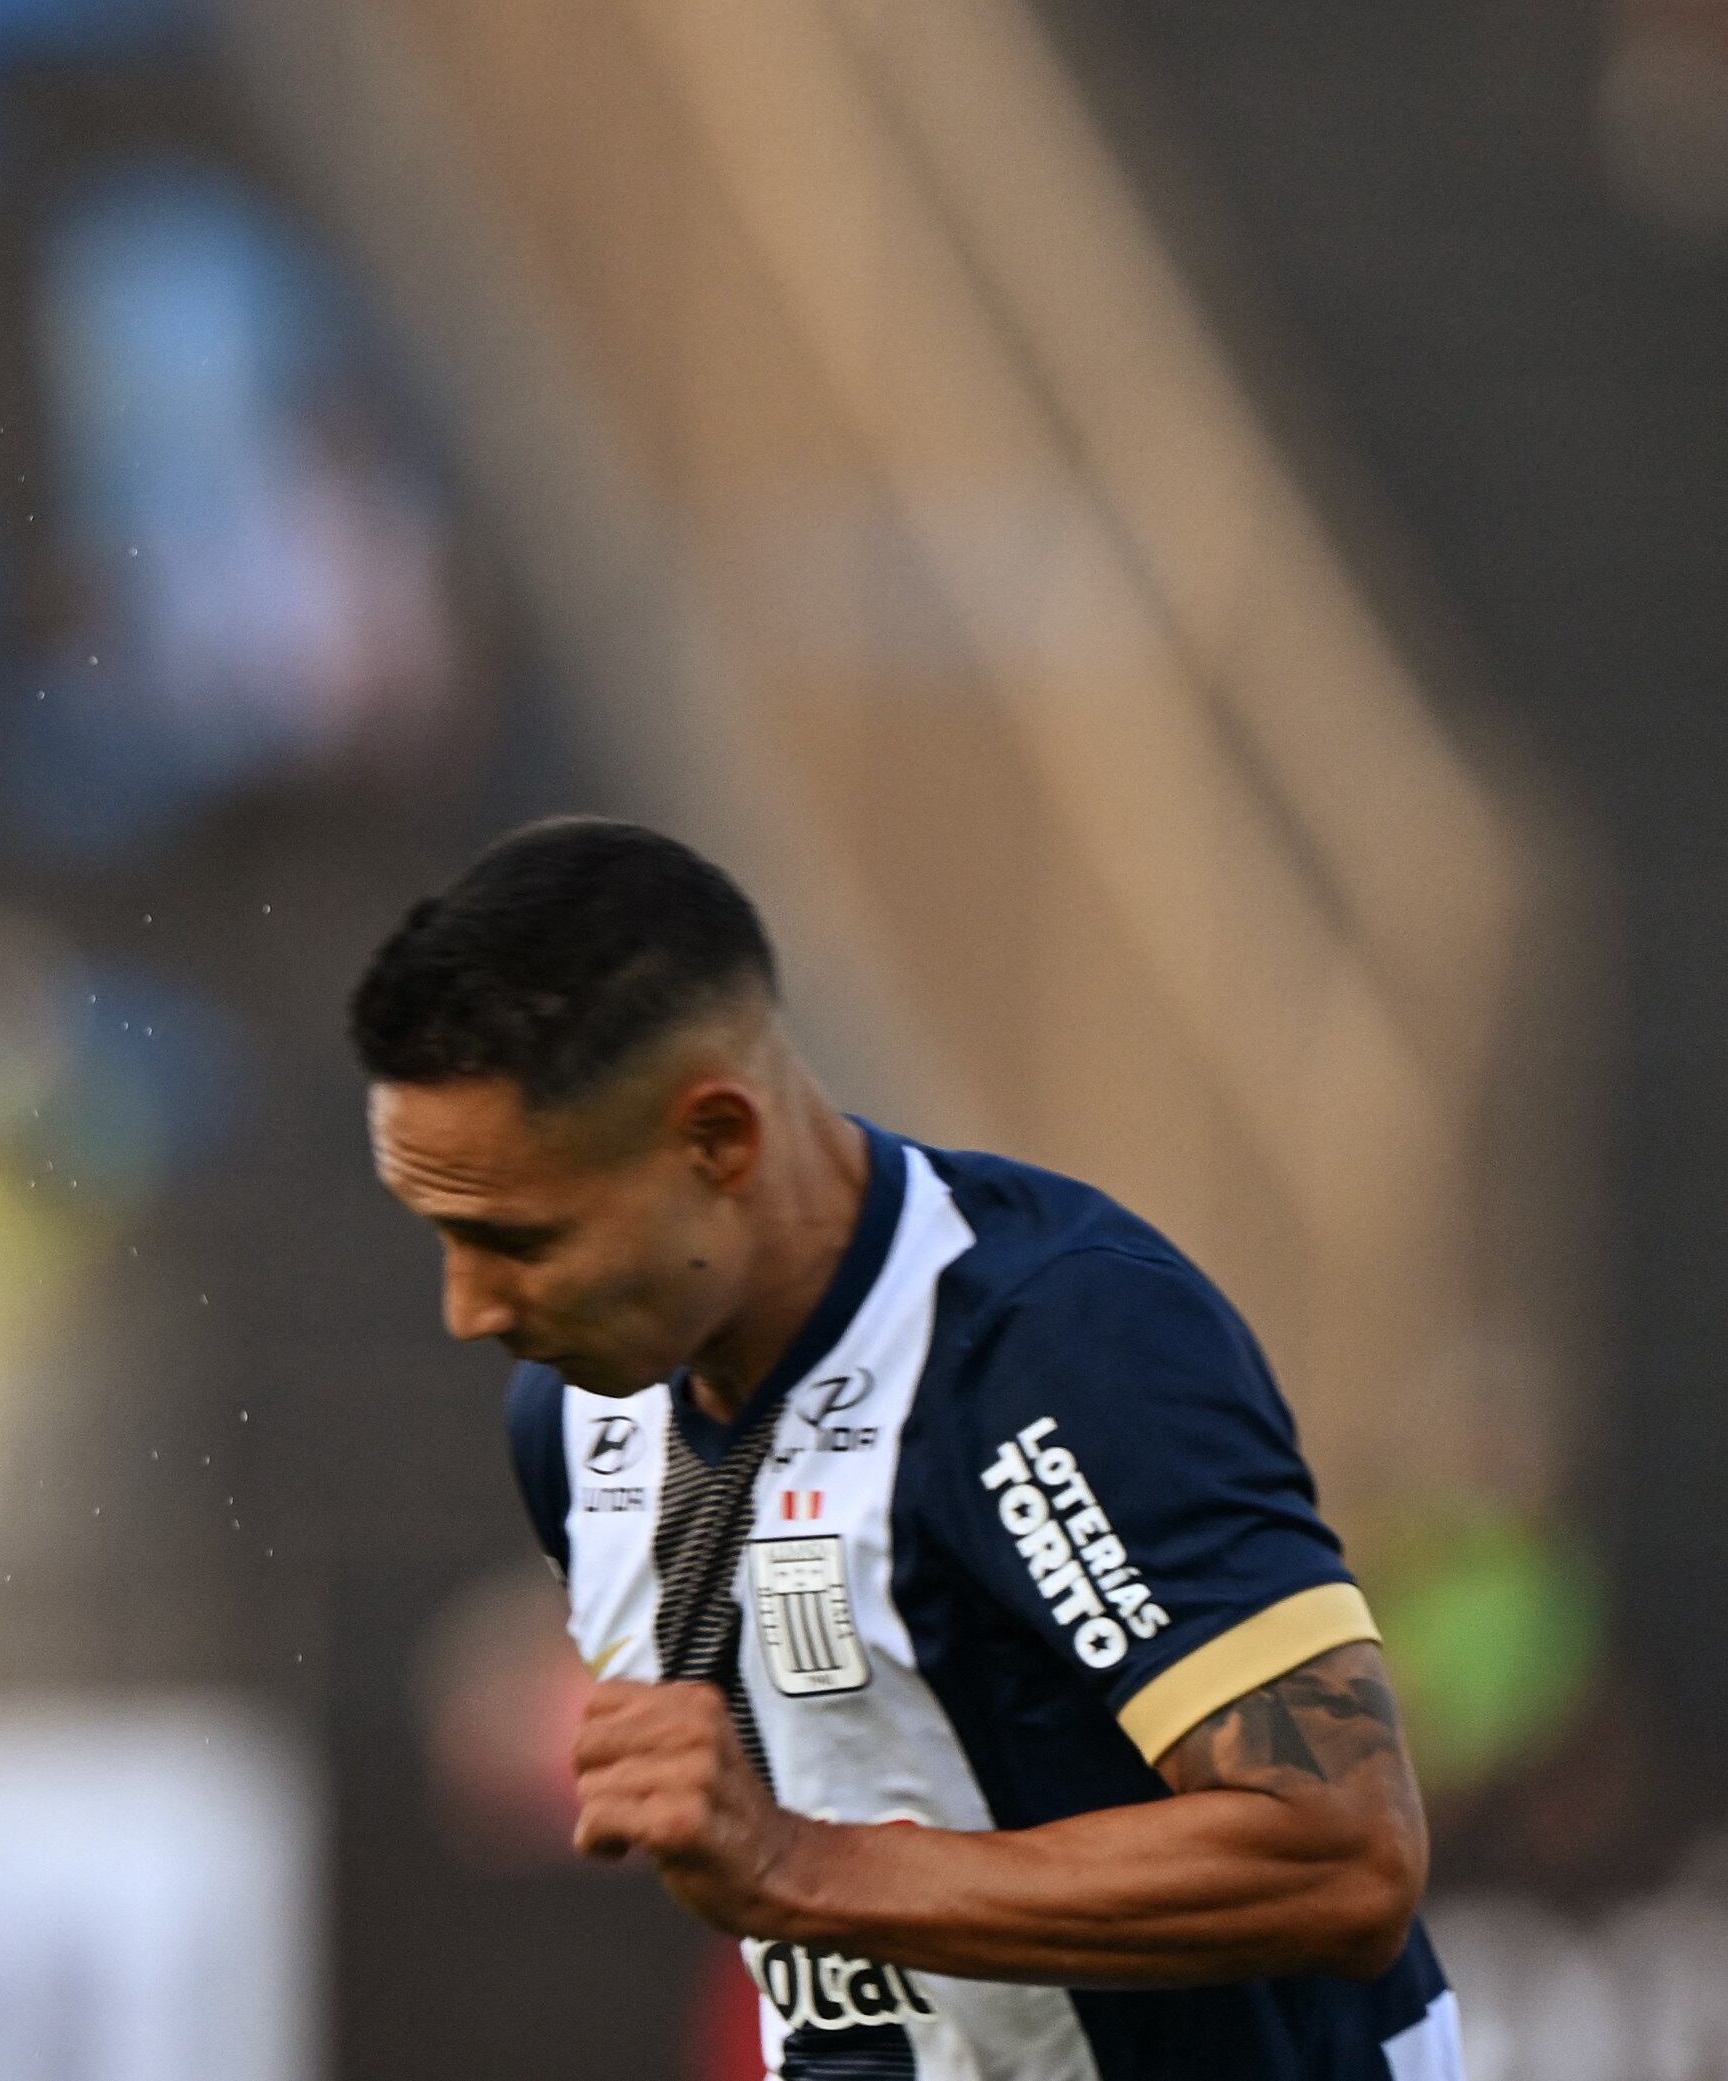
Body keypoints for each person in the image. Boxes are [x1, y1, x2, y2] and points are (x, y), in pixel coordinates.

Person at [349, 819, 1456, 2081]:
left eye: (521, 1238)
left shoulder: (1052, 1343)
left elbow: (1341, 1854)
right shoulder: (575, 1414)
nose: (470, 1309)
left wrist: (798, 1863)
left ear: (717, 1140)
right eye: (441, 1233)